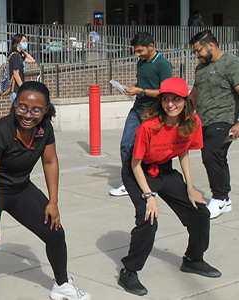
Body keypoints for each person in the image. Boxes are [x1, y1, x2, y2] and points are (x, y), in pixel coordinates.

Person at [0, 82, 91, 300]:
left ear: (46, 109)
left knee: (55, 233)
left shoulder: (45, 129)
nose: (28, 115)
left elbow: (50, 162)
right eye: (22, 107)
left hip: (20, 188)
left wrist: (53, 202)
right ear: (14, 104)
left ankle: (62, 284)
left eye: (36, 110)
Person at [116, 77, 220, 296]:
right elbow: (134, 164)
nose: (170, 104)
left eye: (176, 99)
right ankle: (129, 271)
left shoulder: (192, 122)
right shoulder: (149, 126)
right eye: (165, 99)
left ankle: (193, 259)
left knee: (200, 213)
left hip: (165, 169)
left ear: (185, 101)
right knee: (148, 219)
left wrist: (190, 188)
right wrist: (149, 195)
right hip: (139, 173)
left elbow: (183, 150)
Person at [110, 32, 173, 197]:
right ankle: (129, 182)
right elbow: (143, 83)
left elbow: (166, 91)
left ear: (151, 46)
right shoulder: (141, 63)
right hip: (137, 108)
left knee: (151, 150)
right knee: (126, 144)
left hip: (153, 111)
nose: (138, 55)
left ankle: (153, 182)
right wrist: (132, 88)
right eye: (136, 51)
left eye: (140, 51)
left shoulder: (163, 64)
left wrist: (142, 90)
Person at [190, 30, 239, 218]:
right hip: (205, 121)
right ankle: (225, 200)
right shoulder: (201, 68)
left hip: (224, 119)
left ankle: (218, 198)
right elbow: (194, 94)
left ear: (210, 45)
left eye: (198, 51)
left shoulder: (231, 63)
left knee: (210, 154)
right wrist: (183, 114)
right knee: (218, 158)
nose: (196, 55)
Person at [7, 34, 36, 102]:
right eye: (23, 41)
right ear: (18, 43)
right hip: (16, 88)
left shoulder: (19, 56)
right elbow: (16, 74)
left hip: (18, 89)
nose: (25, 43)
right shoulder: (15, 56)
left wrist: (23, 52)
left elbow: (32, 60)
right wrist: (22, 87)